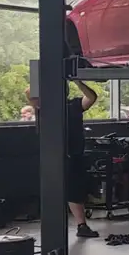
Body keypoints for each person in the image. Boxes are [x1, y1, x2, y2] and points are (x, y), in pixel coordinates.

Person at [25, 81, 100, 238]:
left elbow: (91, 97)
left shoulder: (73, 105)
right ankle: (63, 227)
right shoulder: (45, 107)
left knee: (75, 191)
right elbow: (29, 92)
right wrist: (42, 77)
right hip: (53, 155)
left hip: (73, 155)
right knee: (57, 191)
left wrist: (77, 81)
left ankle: (81, 225)